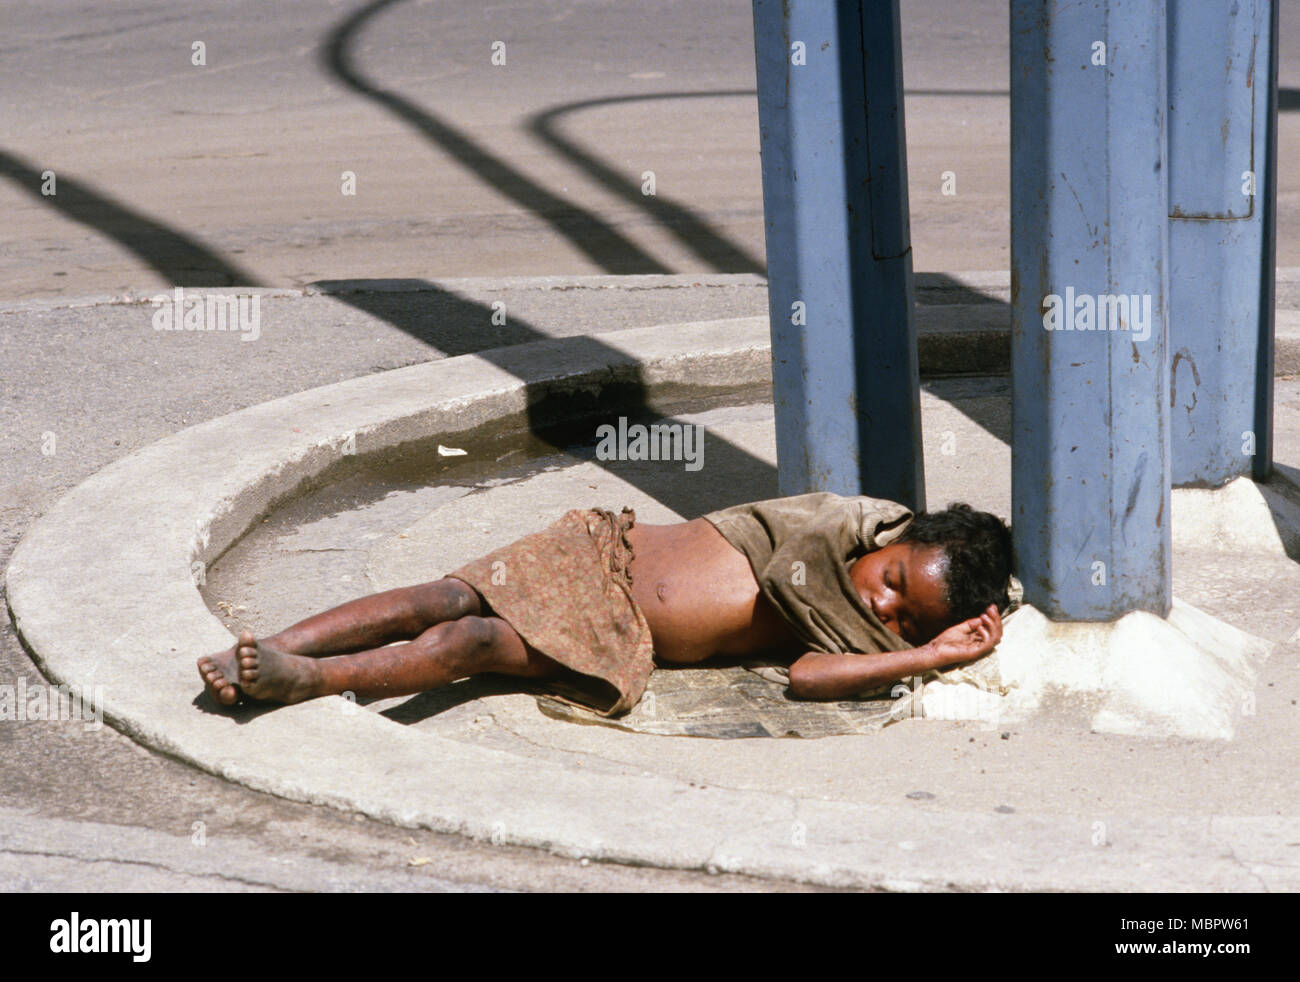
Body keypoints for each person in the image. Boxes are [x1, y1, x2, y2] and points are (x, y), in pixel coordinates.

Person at [197, 492, 1012, 714]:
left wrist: (929, 655)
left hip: (621, 630)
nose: (883, 607)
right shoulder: (837, 526)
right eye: (895, 581)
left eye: (904, 618)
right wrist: (901, 642)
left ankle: (310, 681)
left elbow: (805, 676)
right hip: (601, 549)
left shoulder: (860, 641)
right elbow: (796, 574)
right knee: (441, 595)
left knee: (473, 639)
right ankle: (275, 646)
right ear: (893, 541)